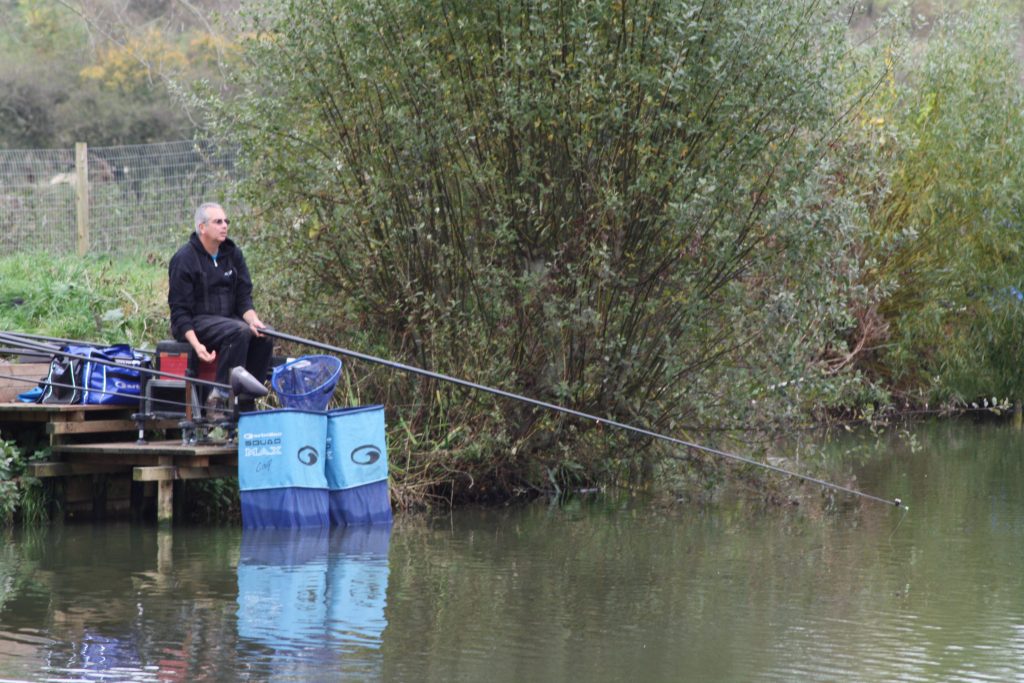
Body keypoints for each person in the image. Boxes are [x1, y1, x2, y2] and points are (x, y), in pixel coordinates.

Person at [168, 202, 272, 413]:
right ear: (202, 227)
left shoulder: (233, 255)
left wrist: (254, 321)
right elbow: (179, 312)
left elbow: (244, 299)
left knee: (264, 335)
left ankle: (246, 398)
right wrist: (197, 346)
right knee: (239, 331)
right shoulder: (184, 259)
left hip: (229, 321)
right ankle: (220, 396)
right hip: (195, 323)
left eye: (226, 221)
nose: (224, 226)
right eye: (218, 222)